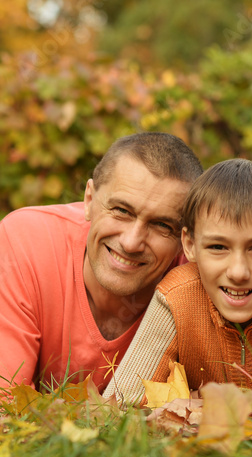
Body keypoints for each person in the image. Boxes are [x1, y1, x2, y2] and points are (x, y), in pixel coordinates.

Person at [103, 159, 252, 403]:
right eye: (218, 247)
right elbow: (120, 402)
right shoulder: (178, 297)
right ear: (190, 245)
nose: (238, 272)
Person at [0, 132, 203, 394]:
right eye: (121, 211)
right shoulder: (26, 241)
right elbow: (5, 402)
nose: (131, 242)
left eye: (162, 225)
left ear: (185, 239)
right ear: (89, 200)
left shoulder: (197, 279)